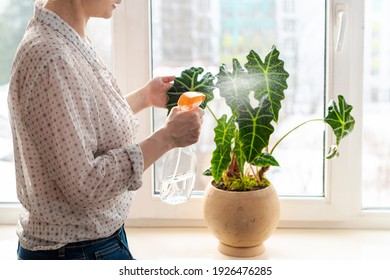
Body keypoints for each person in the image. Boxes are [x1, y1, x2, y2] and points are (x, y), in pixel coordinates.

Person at [8, 0, 204, 260]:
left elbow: (80, 123)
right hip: (77, 254)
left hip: (91, 245)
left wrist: (144, 97)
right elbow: (84, 185)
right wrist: (166, 138)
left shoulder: (66, 37)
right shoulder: (52, 58)